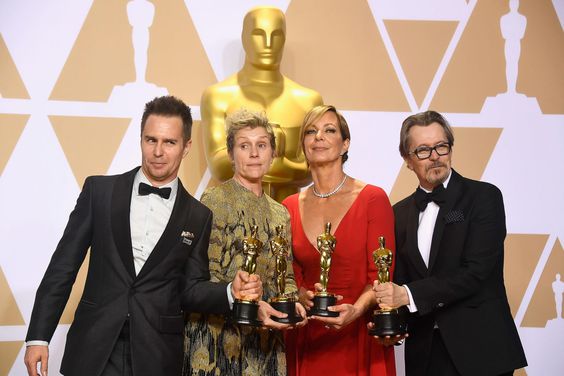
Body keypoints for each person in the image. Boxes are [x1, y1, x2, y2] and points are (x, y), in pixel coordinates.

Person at [23, 96, 261, 376]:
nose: (158, 151)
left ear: (186, 147)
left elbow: (190, 288)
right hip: (94, 347)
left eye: (169, 142)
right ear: (141, 140)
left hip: (155, 354)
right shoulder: (99, 192)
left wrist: (229, 293)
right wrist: (38, 337)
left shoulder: (198, 215)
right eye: (151, 140)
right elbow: (63, 267)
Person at [373, 110, 527, 375]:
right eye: (422, 150)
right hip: (425, 353)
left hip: (482, 351)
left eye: (441, 147)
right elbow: (398, 277)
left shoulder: (484, 197)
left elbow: (476, 272)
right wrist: (389, 322)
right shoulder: (398, 213)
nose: (434, 156)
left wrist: (407, 295)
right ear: (407, 160)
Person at [183, 109, 306, 376]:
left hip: (265, 342)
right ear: (230, 154)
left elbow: (283, 275)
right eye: (244, 146)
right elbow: (206, 275)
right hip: (219, 339)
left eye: (261, 145)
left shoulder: (280, 212)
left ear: (272, 154)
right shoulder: (214, 200)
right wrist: (248, 302)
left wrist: (292, 302)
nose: (253, 154)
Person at [282, 105, 396, 376]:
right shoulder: (288, 206)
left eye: (329, 130)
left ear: (345, 144)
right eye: (311, 131)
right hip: (307, 338)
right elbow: (290, 273)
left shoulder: (373, 199)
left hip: (359, 337)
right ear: (304, 146)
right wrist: (299, 294)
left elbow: (381, 275)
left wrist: (356, 311)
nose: (319, 136)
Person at [201, 6, 323, 202]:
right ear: (244, 38)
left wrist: (245, 158)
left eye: (276, 35)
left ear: (284, 39)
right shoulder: (217, 96)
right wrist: (283, 164)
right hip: (234, 220)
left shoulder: (308, 100)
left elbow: (313, 170)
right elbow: (219, 166)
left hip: (290, 220)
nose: (268, 44)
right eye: (259, 34)